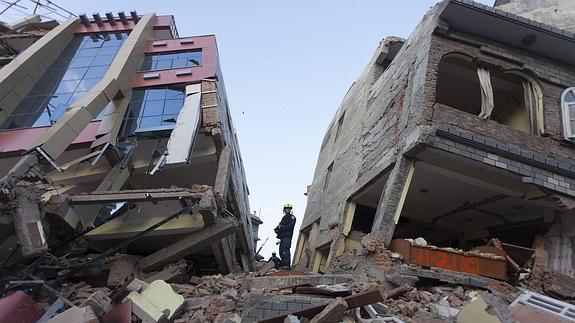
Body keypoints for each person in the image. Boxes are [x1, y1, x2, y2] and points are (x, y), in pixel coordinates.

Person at [274, 203, 296, 269]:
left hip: (287, 237)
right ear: (284, 210)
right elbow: (280, 225)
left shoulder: (292, 217)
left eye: (289, 209)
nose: (287, 210)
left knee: (285, 250)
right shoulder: (284, 217)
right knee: (281, 251)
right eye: (286, 209)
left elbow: (290, 226)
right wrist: (277, 229)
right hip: (282, 237)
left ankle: (287, 265)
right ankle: (283, 265)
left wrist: (282, 227)